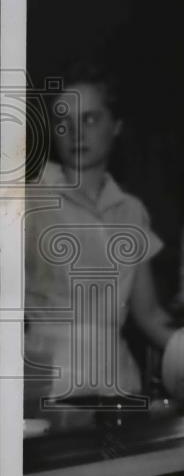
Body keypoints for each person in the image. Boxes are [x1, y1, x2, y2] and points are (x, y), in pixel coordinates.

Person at [25, 63, 173, 403]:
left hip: (117, 381)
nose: (76, 133)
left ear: (116, 126)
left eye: (90, 119)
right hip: (43, 383)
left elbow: (148, 315)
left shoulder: (132, 210)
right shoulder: (27, 198)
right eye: (63, 122)